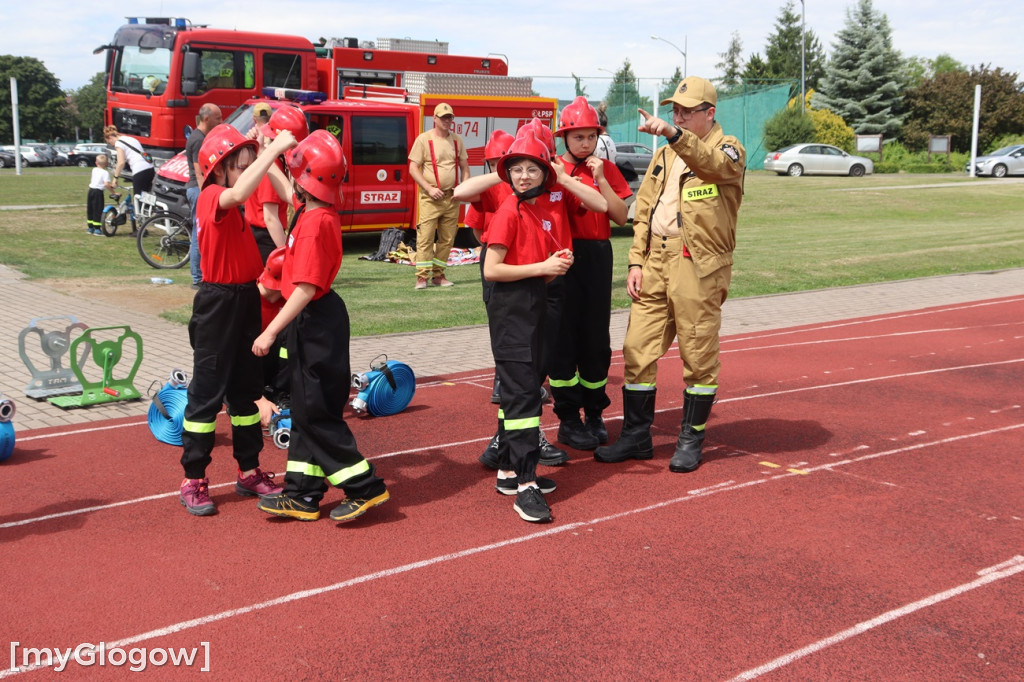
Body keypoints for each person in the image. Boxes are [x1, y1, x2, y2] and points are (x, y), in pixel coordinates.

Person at [594, 76, 746, 473]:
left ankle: (691, 438)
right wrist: (636, 262)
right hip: (656, 261)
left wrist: (674, 134)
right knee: (636, 349)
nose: (677, 117)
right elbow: (643, 210)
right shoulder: (663, 155)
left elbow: (711, 165)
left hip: (697, 264)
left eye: (686, 112)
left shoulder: (728, 150)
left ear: (709, 114)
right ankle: (636, 435)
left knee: (698, 353)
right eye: (674, 111)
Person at [254, 130, 391, 523]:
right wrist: (271, 153)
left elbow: (306, 288)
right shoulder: (312, 209)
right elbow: (288, 190)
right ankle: (302, 493)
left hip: (314, 320)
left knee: (316, 413)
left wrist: (270, 331)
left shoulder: (315, 222)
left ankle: (365, 486)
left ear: (305, 180)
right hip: (314, 320)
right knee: (304, 408)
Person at [177, 123, 297, 516]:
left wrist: (269, 152)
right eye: (240, 166)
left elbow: (279, 194)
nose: (248, 172)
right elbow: (242, 191)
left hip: (245, 298)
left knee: (246, 394)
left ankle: (249, 471)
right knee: (206, 396)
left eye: (249, 165)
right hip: (218, 305)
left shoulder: (232, 200)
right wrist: (272, 150)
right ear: (218, 169)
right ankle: (193, 479)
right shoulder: (212, 196)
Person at [484, 131, 574, 522]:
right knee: (523, 396)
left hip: (531, 308)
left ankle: (507, 471)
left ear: (544, 174)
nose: (523, 176)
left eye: (532, 169)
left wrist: (556, 267)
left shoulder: (535, 211)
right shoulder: (509, 211)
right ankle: (526, 485)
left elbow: (538, 271)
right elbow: (492, 269)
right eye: (517, 169)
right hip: (512, 314)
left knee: (519, 393)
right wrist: (544, 267)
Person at [549, 97, 632, 452]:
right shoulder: (552, 169)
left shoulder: (606, 168)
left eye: (591, 136)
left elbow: (621, 217)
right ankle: (569, 418)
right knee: (562, 339)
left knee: (595, 339)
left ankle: (595, 413)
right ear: (564, 138)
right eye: (577, 137)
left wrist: (601, 178)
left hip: (597, 256)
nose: (585, 143)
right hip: (562, 256)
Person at [408, 102, 470, 289]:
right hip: (430, 198)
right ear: (434, 119)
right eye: (443, 117)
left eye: (449, 117)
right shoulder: (423, 140)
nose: (446, 120)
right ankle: (422, 277)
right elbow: (413, 168)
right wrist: (429, 188)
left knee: (447, 239)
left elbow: (465, 168)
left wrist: (462, 189)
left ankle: (439, 275)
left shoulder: (457, 140)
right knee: (425, 237)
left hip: (451, 198)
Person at [184, 103, 223, 286]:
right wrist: (207, 194)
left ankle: (201, 275)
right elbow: (199, 172)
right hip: (197, 189)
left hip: (197, 189)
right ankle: (198, 278)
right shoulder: (198, 139)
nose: (221, 121)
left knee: (201, 232)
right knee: (199, 233)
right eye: (218, 118)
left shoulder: (200, 136)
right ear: (206, 119)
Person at [103, 126, 156, 219]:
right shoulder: (131, 139)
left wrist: (115, 178)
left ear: (110, 137)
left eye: (110, 143)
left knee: (138, 198)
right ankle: (151, 217)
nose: (112, 145)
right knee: (146, 197)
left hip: (139, 170)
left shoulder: (118, 143)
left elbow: (121, 162)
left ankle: (142, 223)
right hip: (150, 168)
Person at [86, 154, 114, 236]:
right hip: (98, 192)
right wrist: (113, 191)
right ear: (106, 163)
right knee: (98, 210)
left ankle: (90, 228)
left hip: (91, 190)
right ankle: (97, 229)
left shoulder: (94, 170)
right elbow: (106, 184)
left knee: (90, 209)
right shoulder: (105, 173)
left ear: (96, 163)